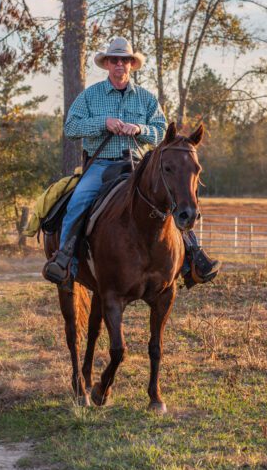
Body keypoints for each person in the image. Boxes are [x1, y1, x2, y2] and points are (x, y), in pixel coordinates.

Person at [42, 36, 220, 288]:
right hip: (101, 164)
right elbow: (71, 128)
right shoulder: (90, 97)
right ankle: (65, 260)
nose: (119, 64)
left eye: (124, 60)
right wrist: (103, 123)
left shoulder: (146, 99)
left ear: (131, 64)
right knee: (79, 200)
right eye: (114, 60)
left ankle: (194, 257)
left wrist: (138, 128)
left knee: (172, 197)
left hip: (139, 164)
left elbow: (161, 132)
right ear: (107, 64)